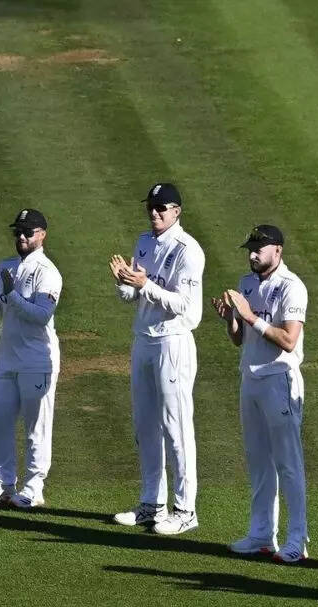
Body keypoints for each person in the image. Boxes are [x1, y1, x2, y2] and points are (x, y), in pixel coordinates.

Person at [109, 183, 204, 535]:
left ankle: (185, 510)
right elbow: (132, 295)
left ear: (177, 211)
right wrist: (125, 283)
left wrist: (145, 284)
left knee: (175, 428)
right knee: (145, 426)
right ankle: (151, 504)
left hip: (173, 344)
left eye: (162, 208)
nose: (155, 213)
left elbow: (188, 310)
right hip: (144, 341)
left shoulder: (188, 250)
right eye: (151, 207)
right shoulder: (144, 242)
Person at [212, 225, 309, 563]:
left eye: (259, 249)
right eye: (249, 249)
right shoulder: (246, 283)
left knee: (288, 463)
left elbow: (288, 340)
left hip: (279, 380)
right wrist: (231, 321)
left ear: (278, 251)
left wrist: (250, 315)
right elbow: (241, 340)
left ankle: (298, 538)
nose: (252, 255)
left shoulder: (292, 287)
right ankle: (261, 534)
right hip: (250, 379)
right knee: (258, 461)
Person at [0, 209, 62, 507]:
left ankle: (34, 489)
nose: (21, 237)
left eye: (28, 232)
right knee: (0, 423)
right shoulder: (5, 266)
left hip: (37, 361)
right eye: (17, 232)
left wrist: (11, 296)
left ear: (42, 235)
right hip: (7, 359)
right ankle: (2, 484)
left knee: (36, 428)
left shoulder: (48, 272)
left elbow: (41, 315)